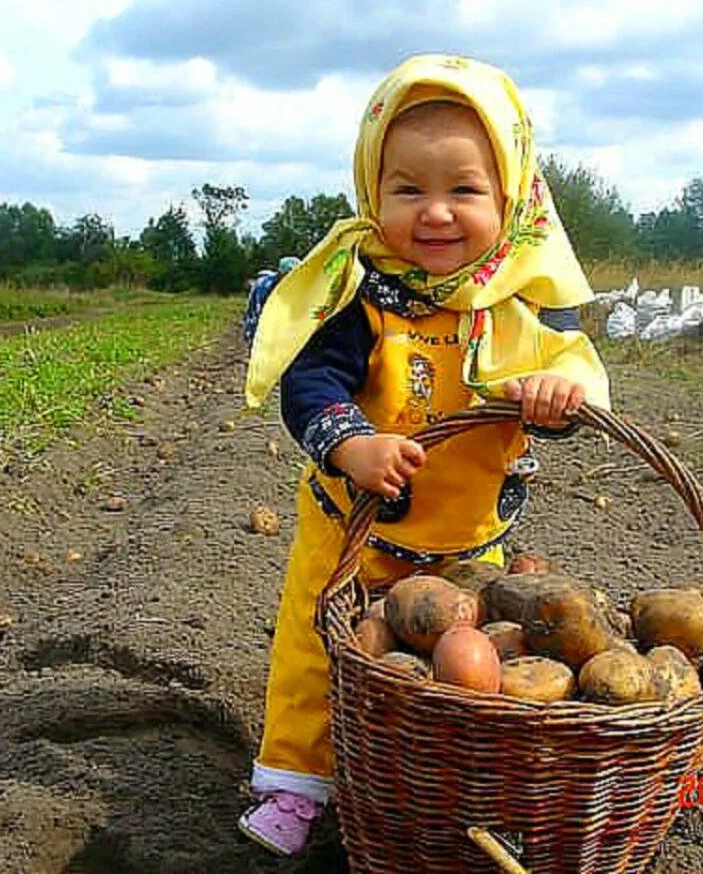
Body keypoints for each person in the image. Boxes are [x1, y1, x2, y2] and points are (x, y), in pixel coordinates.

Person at [238, 53, 610, 856]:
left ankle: (439, 793)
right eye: (408, 189)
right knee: (319, 652)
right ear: (372, 193)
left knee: (460, 680)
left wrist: (553, 395)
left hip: (470, 548)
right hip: (353, 533)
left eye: (465, 191)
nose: (435, 213)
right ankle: (297, 788)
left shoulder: (523, 299)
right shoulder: (359, 292)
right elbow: (311, 383)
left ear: (508, 195)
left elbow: (570, 378)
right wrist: (352, 442)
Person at [243, 255, 301, 345]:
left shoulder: (298, 287)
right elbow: (251, 308)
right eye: (286, 274)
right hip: (262, 332)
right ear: (280, 273)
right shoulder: (262, 285)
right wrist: (248, 330)